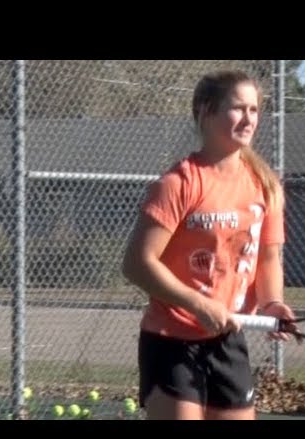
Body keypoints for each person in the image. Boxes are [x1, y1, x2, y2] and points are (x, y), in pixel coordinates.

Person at [122, 70, 295, 420]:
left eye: (254, 110)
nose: (248, 119)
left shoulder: (266, 186)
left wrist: (272, 302)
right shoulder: (178, 183)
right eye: (237, 108)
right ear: (205, 111)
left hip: (228, 339)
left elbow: (268, 258)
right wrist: (198, 304)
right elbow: (138, 263)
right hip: (171, 341)